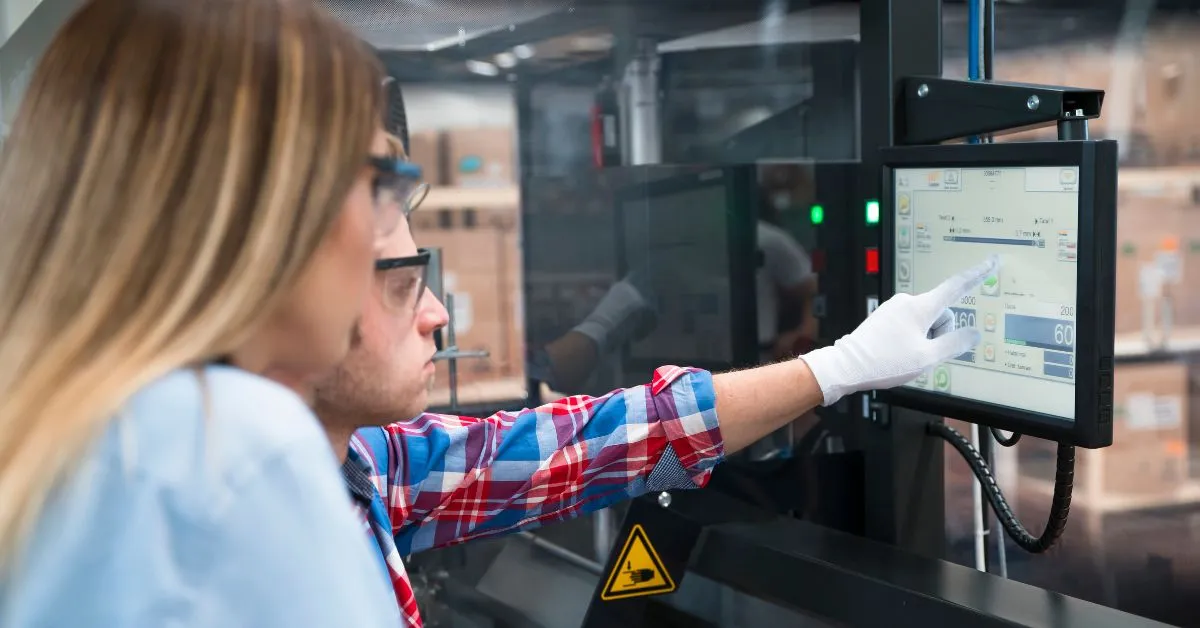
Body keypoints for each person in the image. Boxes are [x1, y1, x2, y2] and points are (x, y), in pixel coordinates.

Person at [312, 136, 998, 626]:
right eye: (402, 285)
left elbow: (585, 448)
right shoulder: (278, 558)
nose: (435, 313)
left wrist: (838, 368)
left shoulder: (373, 465)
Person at [0, 0, 406, 625]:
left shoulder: (64, 429)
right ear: (273, 201)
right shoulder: (229, 443)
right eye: (376, 186)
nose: (379, 236)